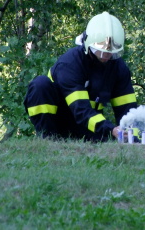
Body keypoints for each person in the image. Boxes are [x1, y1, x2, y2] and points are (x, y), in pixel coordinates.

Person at [24, 12, 138, 141]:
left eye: (111, 50)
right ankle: (48, 139)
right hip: (61, 121)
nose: (106, 54)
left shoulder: (118, 68)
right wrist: (110, 129)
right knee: (40, 84)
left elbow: (128, 110)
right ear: (88, 43)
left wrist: (134, 138)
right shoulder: (69, 64)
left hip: (89, 127)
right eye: (101, 49)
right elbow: (80, 109)